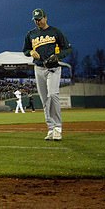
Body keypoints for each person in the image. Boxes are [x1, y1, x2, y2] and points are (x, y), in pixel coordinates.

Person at [23, 8, 72, 141]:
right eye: (35, 20)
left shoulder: (55, 32)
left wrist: (57, 56)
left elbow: (67, 48)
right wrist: (30, 52)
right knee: (45, 100)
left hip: (53, 68)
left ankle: (57, 128)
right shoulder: (30, 34)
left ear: (46, 18)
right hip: (38, 68)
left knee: (53, 95)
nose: (38, 21)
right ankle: (50, 129)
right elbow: (25, 50)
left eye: (40, 19)